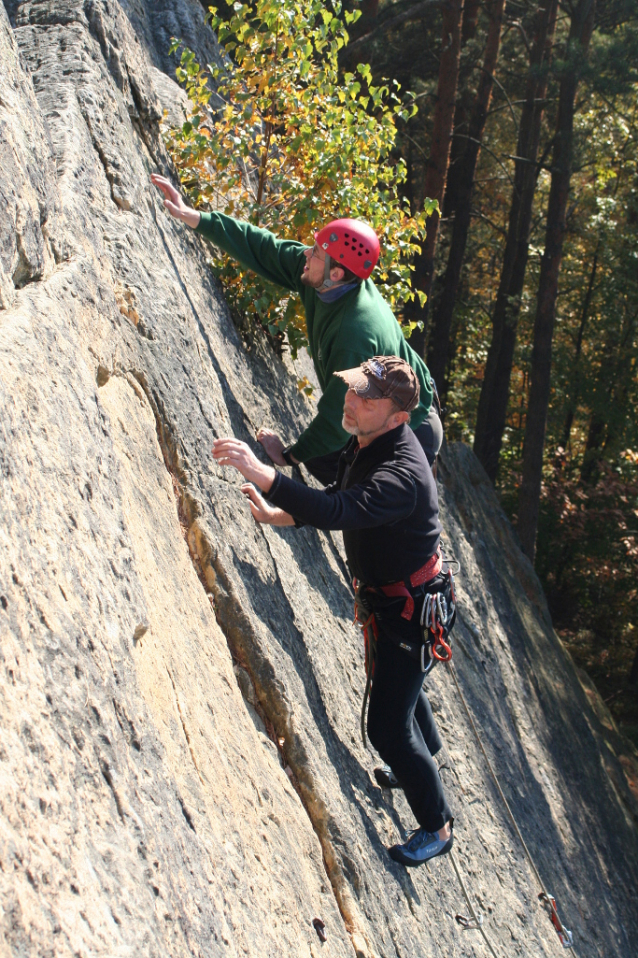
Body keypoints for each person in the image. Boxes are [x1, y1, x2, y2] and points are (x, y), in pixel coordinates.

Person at [212, 356, 454, 866]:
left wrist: (267, 476)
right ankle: (423, 755)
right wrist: (284, 514)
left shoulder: (402, 473)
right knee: (399, 683)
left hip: (409, 608)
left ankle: (437, 825)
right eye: (353, 389)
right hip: (395, 599)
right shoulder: (367, 441)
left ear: (398, 417)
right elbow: (338, 497)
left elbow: (345, 511)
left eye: (368, 397)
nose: (352, 399)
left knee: (387, 730)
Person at [151, 173, 442, 485]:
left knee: (345, 481)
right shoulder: (323, 277)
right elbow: (265, 249)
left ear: (338, 272)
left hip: (410, 426)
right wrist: (196, 218)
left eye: (315, 252)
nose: (306, 253)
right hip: (399, 407)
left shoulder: (352, 334)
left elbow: (334, 421)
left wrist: (288, 456)